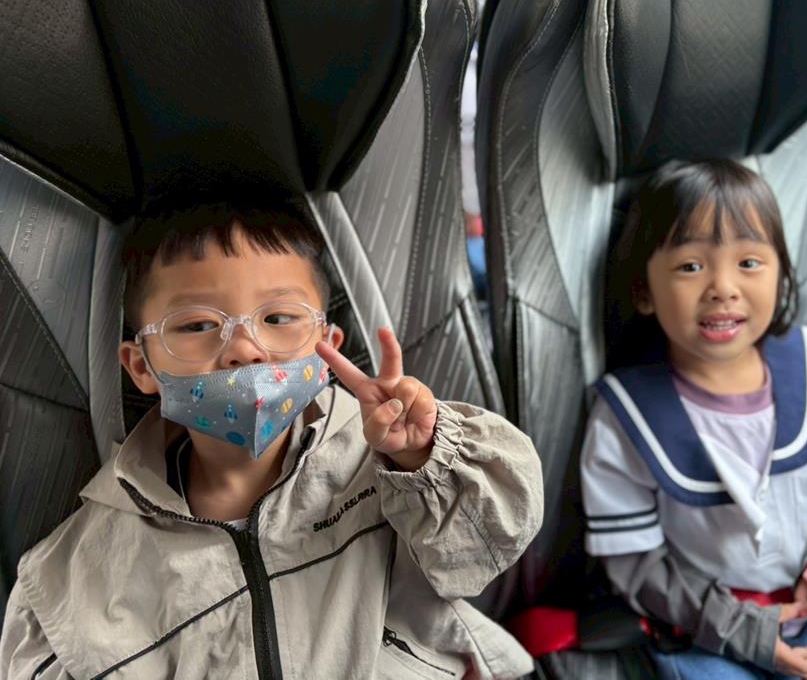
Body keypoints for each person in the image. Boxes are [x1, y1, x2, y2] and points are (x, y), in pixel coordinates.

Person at [0, 197, 543, 680]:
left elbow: (493, 542)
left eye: (279, 317)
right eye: (196, 326)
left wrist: (423, 455)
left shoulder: (390, 471)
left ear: (328, 347)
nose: (245, 349)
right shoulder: (73, 575)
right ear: (141, 366)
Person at [581, 160, 807, 680]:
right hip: (706, 630)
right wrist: (738, 628)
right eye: (691, 266)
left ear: (781, 275)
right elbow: (636, 563)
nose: (723, 287)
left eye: (749, 262)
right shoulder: (627, 422)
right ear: (643, 291)